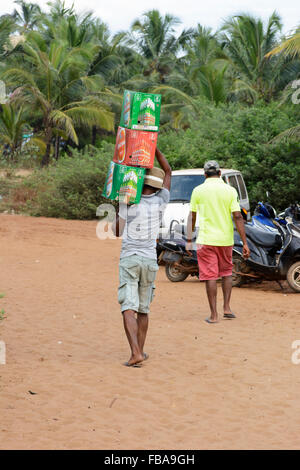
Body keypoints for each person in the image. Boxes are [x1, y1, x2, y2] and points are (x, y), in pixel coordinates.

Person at [112, 148, 171, 366]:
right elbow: (168, 170)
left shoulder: (129, 201)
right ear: (156, 184)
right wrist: (153, 148)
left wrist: (120, 207)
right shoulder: (161, 201)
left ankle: (135, 352)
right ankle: (141, 351)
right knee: (144, 309)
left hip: (130, 258)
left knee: (128, 306)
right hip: (149, 260)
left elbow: (117, 231)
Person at [186, 160, 250, 324]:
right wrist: (245, 243)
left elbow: (192, 216)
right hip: (225, 239)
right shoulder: (230, 190)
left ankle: (214, 315)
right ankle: (227, 308)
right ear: (220, 173)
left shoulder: (198, 190)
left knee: (210, 275)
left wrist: (188, 239)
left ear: (205, 174)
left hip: (206, 240)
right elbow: (237, 216)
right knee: (227, 272)